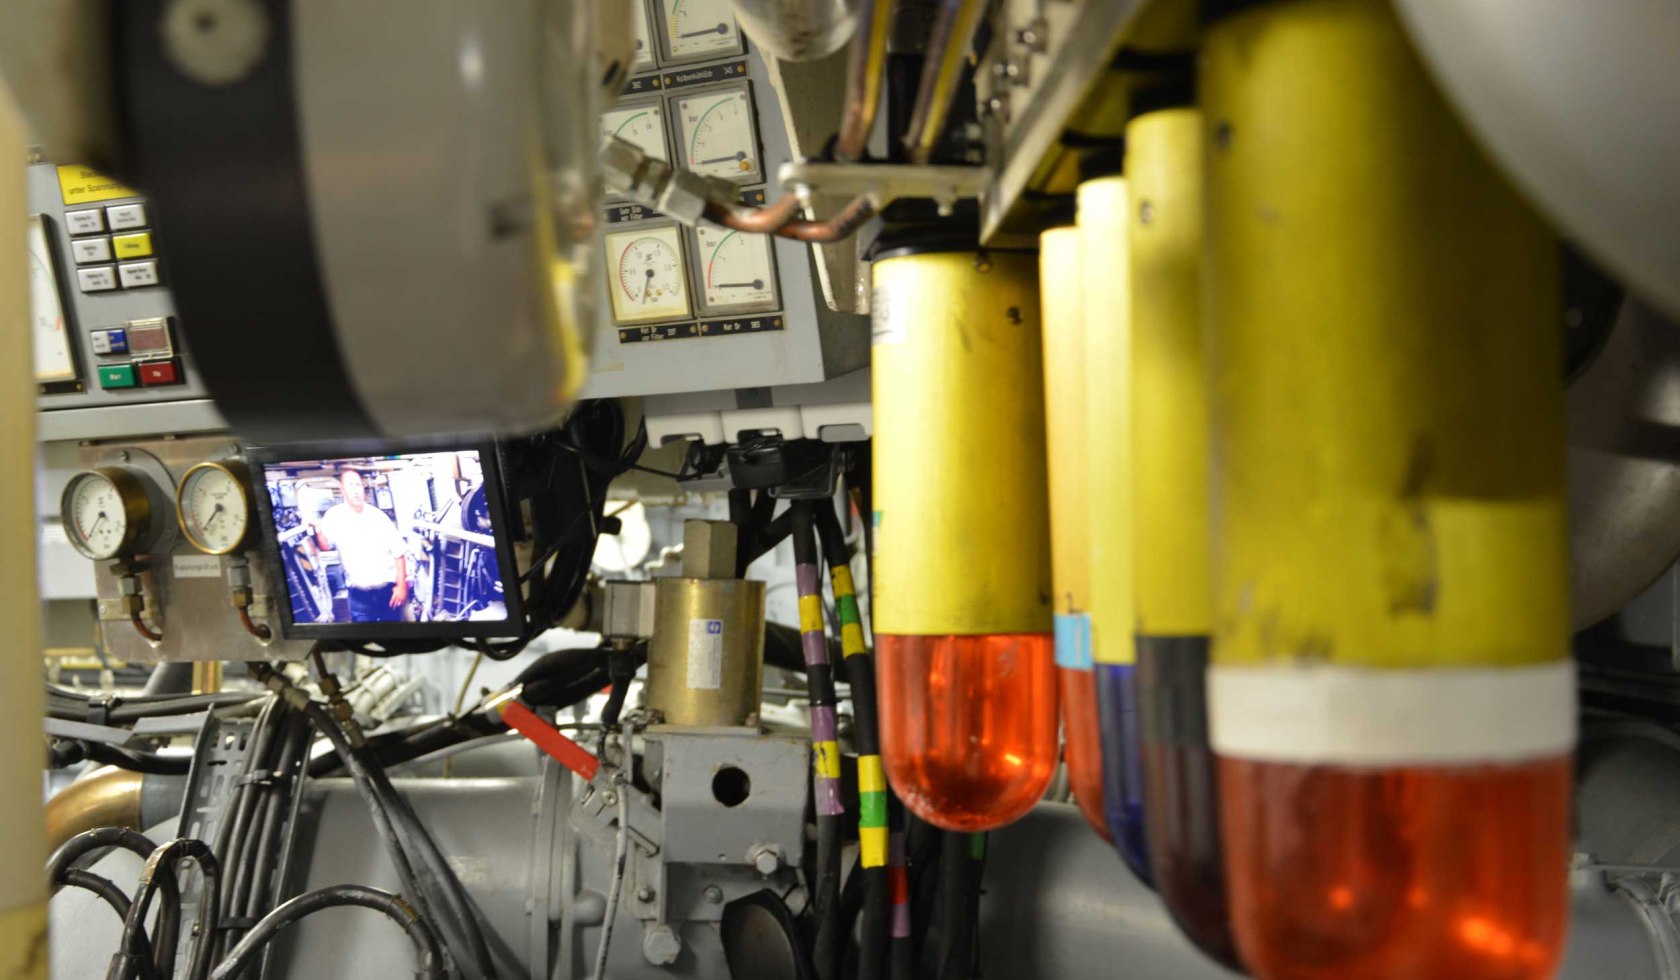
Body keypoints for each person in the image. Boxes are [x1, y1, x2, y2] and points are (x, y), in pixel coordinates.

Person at [311, 467, 409, 623]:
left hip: (387, 593)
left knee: (392, 639)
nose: (356, 490)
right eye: (351, 485)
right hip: (359, 597)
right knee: (364, 640)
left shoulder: (378, 516)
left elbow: (399, 552)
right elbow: (325, 546)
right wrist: (317, 531)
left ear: (363, 489)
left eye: (358, 485)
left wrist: (401, 586)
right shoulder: (334, 516)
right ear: (342, 490)